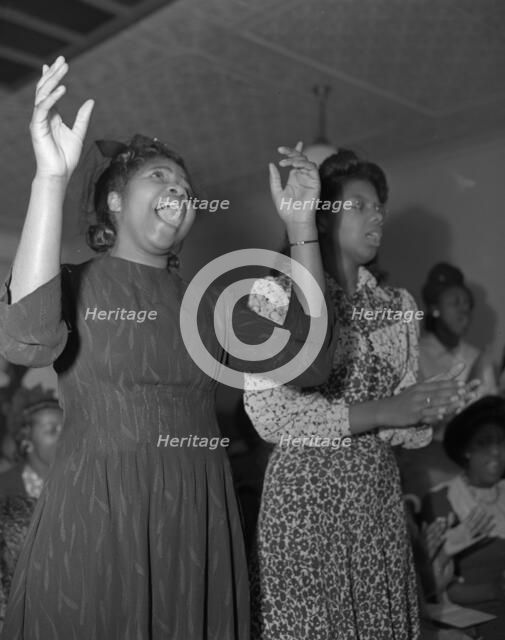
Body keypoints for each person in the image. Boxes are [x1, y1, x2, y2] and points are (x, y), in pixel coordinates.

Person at [0, 57, 336, 638]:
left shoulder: (209, 302)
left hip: (194, 520)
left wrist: (304, 225)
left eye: (183, 185)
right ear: (113, 202)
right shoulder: (78, 283)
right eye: (157, 176)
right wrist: (50, 179)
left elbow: (312, 361)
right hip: (96, 515)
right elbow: (26, 337)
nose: (177, 188)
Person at [242, 149, 472, 639]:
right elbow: (271, 416)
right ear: (321, 218)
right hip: (305, 504)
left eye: (380, 205)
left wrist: (429, 407)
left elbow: (404, 429)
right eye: (361, 204)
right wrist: (387, 409)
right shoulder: (273, 295)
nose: (378, 214)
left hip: (377, 501)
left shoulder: (399, 306)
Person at [398, 263, 497, 499]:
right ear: (434, 308)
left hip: (475, 464)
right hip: (431, 464)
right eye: (455, 303)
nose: (464, 310)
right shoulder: (415, 355)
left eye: (467, 304)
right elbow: (414, 422)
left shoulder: (477, 356)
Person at [421, 396, 505, 640]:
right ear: (466, 449)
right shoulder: (441, 500)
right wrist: (494, 589)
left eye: (502, 441)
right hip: (476, 618)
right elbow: (435, 589)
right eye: (485, 442)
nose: (496, 451)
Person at [0, 387, 62, 627]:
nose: (63, 437)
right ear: (27, 441)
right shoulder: (4, 491)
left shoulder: (85, 488)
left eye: (66, 429)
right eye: (52, 430)